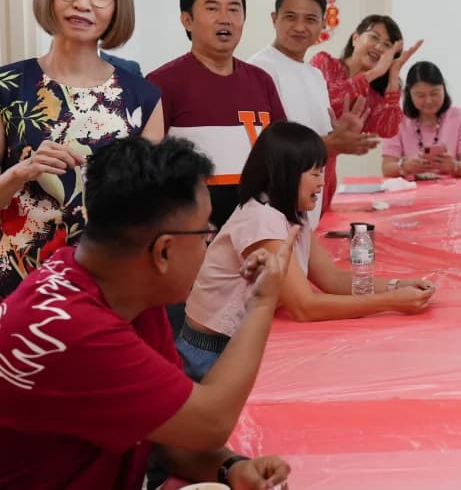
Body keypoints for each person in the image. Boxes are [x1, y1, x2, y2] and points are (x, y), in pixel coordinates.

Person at [0, 137, 290, 488]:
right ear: (163, 252)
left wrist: (229, 468)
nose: (208, 245)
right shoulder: (78, 330)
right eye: (205, 234)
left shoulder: (118, 288)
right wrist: (261, 302)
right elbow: (211, 422)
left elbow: (170, 432)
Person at [179, 121, 436, 380]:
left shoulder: (290, 213)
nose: (322, 183)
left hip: (240, 342)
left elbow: (333, 279)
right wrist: (391, 303)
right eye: (314, 174)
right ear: (286, 174)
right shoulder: (261, 221)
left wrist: (397, 286)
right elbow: (305, 307)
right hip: (212, 353)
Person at [0, 0, 163, 298]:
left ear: (117, 6)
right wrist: (19, 172)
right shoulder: (7, 88)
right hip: (16, 288)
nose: (82, 3)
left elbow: (152, 210)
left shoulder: (143, 98)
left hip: (108, 288)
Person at [147, 0, 286, 229]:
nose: (226, 19)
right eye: (212, 9)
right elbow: (146, 168)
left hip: (258, 229)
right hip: (193, 232)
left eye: (234, 9)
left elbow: (283, 155)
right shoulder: (161, 84)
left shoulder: (262, 81)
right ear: (187, 20)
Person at [249, 0, 381, 223]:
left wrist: (339, 133)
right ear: (274, 19)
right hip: (273, 210)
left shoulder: (314, 75)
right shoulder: (259, 69)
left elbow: (315, 138)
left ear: (322, 24)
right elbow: (265, 147)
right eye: (290, 17)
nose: (300, 27)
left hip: (308, 210)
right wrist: (330, 143)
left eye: (310, 19)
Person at [310, 15, 422, 207]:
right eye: (374, 37)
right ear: (355, 38)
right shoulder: (324, 62)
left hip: (326, 176)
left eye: (387, 45)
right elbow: (327, 100)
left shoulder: (371, 93)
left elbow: (389, 128)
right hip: (299, 168)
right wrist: (374, 73)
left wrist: (393, 75)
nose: (379, 48)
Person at [381, 61, 461, 179]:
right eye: (420, 95)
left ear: (444, 89)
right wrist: (405, 167)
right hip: (412, 192)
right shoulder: (396, 122)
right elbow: (387, 168)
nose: (428, 101)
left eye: (434, 93)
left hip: (453, 191)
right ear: (409, 95)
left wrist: (454, 165)